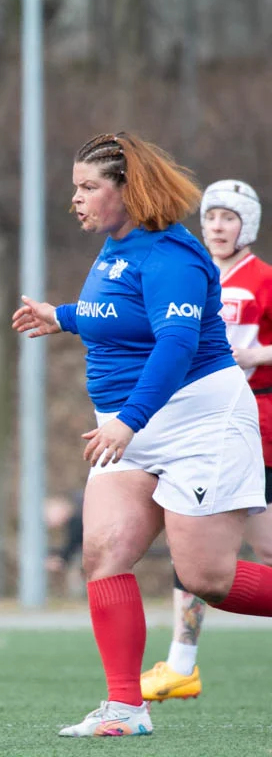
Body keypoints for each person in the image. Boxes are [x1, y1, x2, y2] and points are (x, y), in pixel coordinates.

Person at [12, 132, 272, 738]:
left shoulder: (173, 256)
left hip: (197, 421)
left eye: (88, 187)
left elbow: (178, 343)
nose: (74, 199)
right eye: (75, 186)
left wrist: (130, 420)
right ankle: (126, 707)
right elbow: (119, 314)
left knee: (208, 577)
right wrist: (63, 316)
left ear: (127, 190)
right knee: (103, 554)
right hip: (131, 425)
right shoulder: (116, 247)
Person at [140, 179, 272, 702]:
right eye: (211, 216)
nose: (218, 226)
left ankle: (181, 663)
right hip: (193, 424)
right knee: (189, 538)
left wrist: (256, 357)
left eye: (229, 218)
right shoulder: (187, 269)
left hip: (256, 424)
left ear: (248, 226)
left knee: (261, 547)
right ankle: (181, 664)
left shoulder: (262, 278)